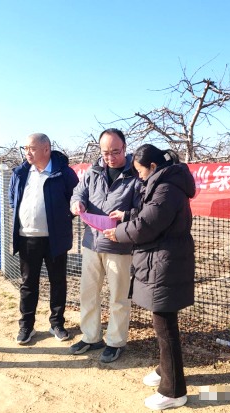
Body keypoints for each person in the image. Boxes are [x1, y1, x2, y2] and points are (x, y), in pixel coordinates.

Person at [103, 144, 195, 410]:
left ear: (153, 167)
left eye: (140, 171)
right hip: (161, 260)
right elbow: (149, 214)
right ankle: (165, 369)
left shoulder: (166, 188)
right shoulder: (163, 184)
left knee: (165, 327)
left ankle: (173, 391)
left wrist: (119, 233)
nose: (139, 176)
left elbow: (148, 225)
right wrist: (126, 215)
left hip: (164, 263)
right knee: (163, 324)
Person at [69, 128, 140, 363]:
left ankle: (115, 341)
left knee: (119, 297)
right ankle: (91, 336)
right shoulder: (93, 171)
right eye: (105, 152)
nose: (110, 157)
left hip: (119, 245)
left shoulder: (135, 175)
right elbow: (78, 193)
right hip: (92, 242)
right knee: (88, 292)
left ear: (125, 148)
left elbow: (142, 209)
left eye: (115, 152)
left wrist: (125, 218)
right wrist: (77, 203)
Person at [9, 133, 79, 345]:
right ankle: (26, 326)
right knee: (28, 284)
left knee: (58, 282)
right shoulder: (21, 172)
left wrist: (60, 220)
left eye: (31, 148)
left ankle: (57, 323)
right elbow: (13, 200)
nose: (27, 152)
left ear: (46, 149)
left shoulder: (63, 173)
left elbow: (76, 200)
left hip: (55, 239)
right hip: (27, 237)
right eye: (25, 148)